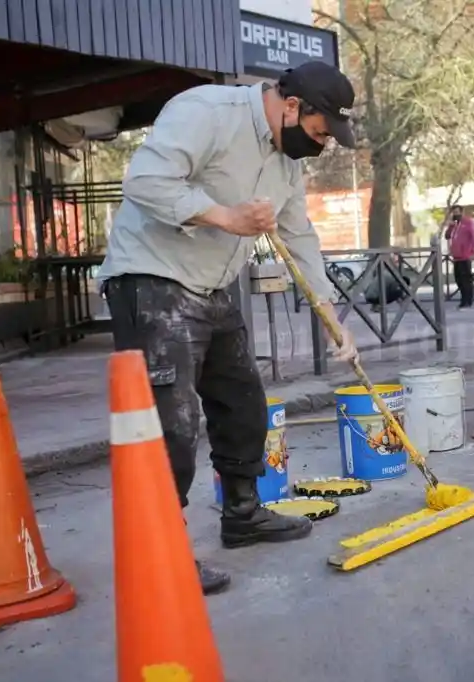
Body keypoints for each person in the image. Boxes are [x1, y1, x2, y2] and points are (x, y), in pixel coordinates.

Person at [96, 61, 360, 596]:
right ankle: (159, 551)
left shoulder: (285, 163)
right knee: (170, 424)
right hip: (151, 279)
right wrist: (227, 217)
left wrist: (333, 319)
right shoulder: (206, 111)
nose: (321, 146)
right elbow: (144, 181)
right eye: (319, 133)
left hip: (212, 289)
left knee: (243, 404)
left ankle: (242, 514)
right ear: (292, 106)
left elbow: (299, 236)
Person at [443, 204, 474, 308]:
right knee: (458, 279)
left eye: (457, 212)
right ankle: (463, 299)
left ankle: (468, 300)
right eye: (453, 213)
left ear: (461, 212)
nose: (455, 214)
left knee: (466, 279)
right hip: (456, 256)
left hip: (466, 255)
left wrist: (473, 252)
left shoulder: (468, 223)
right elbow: (447, 236)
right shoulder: (454, 224)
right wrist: (450, 226)